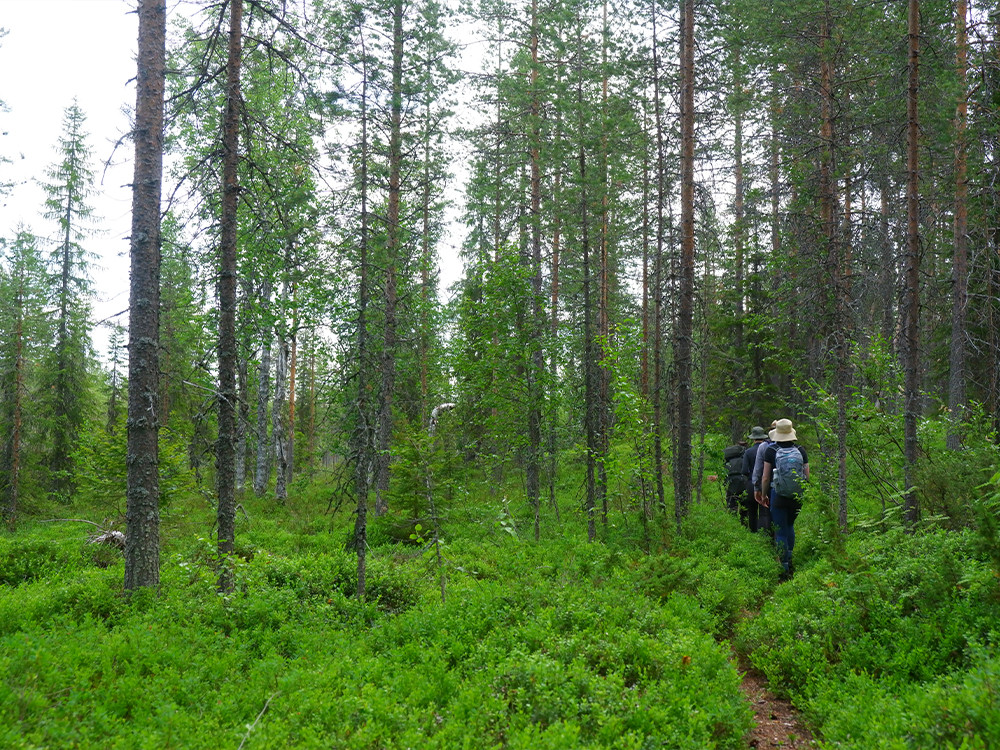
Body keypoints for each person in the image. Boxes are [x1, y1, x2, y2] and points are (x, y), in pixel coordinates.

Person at [761, 418, 809, 579]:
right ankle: (790, 557)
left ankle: (784, 566)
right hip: (796, 495)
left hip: (778, 495)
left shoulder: (771, 450)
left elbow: (766, 478)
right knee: (790, 525)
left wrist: (763, 494)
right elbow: (807, 476)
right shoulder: (801, 450)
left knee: (780, 530)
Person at [741, 426, 770, 533]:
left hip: (750, 483)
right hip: (765, 483)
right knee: (764, 511)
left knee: (752, 511)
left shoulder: (748, 452)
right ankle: (765, 533)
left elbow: (744, 470)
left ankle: (753, 532)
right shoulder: (768, 449)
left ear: (753, 438)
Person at [722, 440, 748, 519]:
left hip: (731, 481)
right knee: (744, 504)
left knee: (731, 503)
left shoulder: (729, 457)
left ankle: (732, 521)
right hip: (743, 482)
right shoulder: (745, 454)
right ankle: (744, 523)